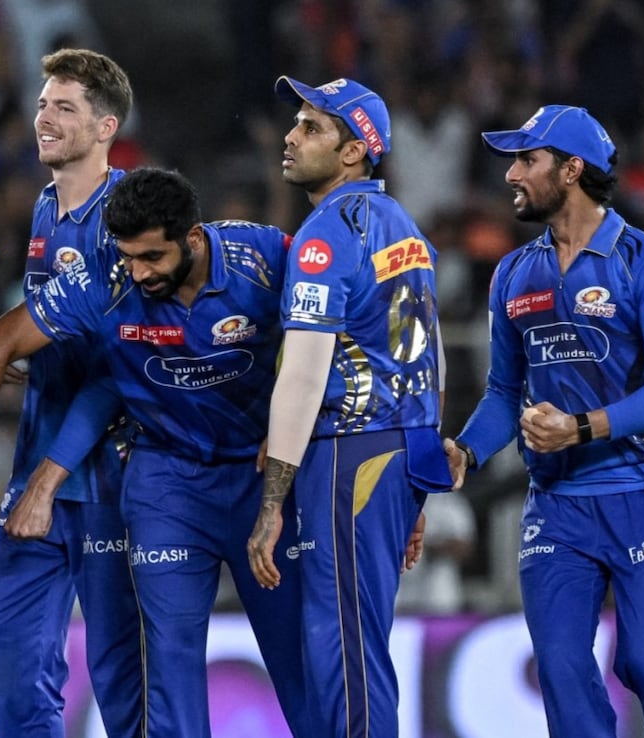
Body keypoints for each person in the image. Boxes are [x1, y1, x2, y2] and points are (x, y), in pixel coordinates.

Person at [0, 167, 317, 738]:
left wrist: (300, 427)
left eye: (153, 257)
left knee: (303, 665)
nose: (139, 273)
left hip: (261, 477)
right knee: (167, 670)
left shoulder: (264, 257)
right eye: (129, 257)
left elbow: (340, 326)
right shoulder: (106, 279)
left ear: (194, 237)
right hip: (168, 484)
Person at [445, 104, 644, 737]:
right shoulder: (513, 273)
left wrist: (580, 427)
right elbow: (504, 392)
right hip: (558, 505)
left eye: (526, 160)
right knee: (561, 672)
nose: (511, 174)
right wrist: (468, 451)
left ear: (571, 169)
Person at [247, 76, 451, 738]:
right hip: (398, 451)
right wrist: (414, 489)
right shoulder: (405, 229)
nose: (291, 136)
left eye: (311, 127)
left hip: (348, 454)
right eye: (296, 123)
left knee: (343, 649)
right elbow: (429, 360)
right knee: (358, 640)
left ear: (354, 150)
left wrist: (272, 506)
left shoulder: (325, 236)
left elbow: (303, 379)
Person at [0, 47, 143, 738]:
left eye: (64, 108)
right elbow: (59, 327)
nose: (43, 117)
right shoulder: (46, 207)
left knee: (124, 682)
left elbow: (121, 370)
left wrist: (49, 479)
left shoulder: (130, 215)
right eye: (43, 103)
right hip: (35, 473)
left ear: (105, 128)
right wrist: (35, 358)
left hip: (107, 484)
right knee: (9, 672)